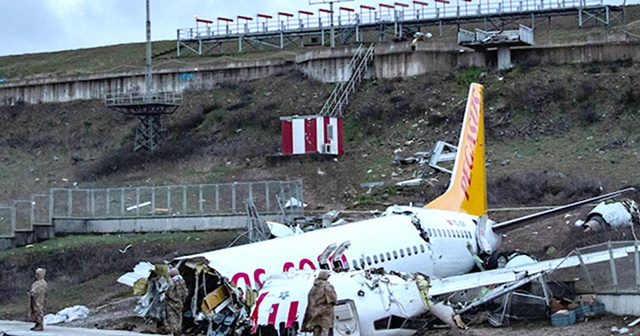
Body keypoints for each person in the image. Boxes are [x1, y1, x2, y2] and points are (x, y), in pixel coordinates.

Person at [301, 270, 337, 336]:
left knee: (317, 331)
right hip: (325, 315)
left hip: (314, 314)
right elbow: (333, 300)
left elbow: (310, 303)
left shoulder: (313, 288)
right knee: (327, 331)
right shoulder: (327, 287)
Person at [164, 268, 189, 336]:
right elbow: (185, 293)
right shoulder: (182, 281)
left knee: (172, 317)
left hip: (171, 303)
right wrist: (182, 300)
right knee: (179, 317)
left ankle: (174, 332)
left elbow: (169, 293)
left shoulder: (172, 282)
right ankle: (178, 330)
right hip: (180, 303)